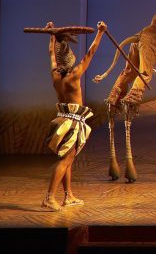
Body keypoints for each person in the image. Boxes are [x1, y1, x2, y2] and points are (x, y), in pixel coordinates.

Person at [42, 22, 108, 211]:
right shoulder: (75, 75)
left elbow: (51, 54)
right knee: (65, 161)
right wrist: (100, 33)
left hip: (62, 119)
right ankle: (49, 198)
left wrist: (52, 35)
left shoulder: (55, 74)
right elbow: (91, 53)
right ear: (70, 60)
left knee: (68, 159)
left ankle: (68, 195)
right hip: (72, 123)